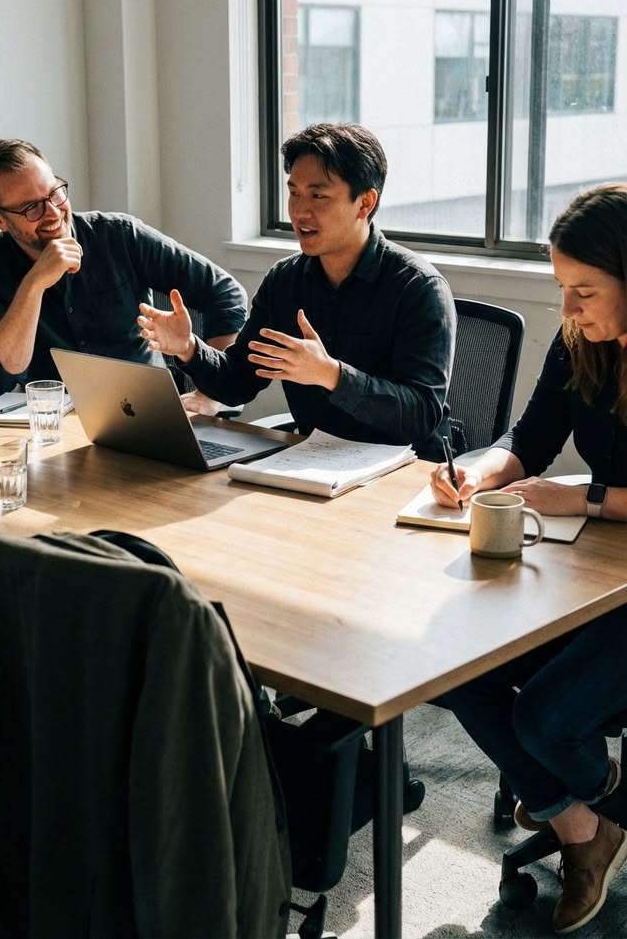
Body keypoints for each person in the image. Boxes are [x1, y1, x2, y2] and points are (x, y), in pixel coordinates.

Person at [430, 182, 627, 935]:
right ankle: (583, 821)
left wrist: (588, 496)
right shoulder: (579, 340)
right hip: (589, 575)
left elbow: (577, 489)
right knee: (459, 668)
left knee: (544, 718)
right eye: (562, 290)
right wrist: (482, 471)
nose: (570, 310)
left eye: (585, 291)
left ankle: (573, 792)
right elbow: (530, 433)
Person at [137, 122, 456, 460]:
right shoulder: (285, 281)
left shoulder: (418, 288)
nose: (300, 211)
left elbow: (421, 415)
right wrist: (188, 348)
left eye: (318, 195)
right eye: (294, 192)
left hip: (406, 469)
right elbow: (238, 382)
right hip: (314, 464)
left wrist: (331, 375)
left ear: (365, 203)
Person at [0, 139, 247, 411]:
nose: (53, 212)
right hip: (55, 427)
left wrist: (212, 393)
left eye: (54, 193)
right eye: (32, 207)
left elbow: (226, 294)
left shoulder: (120, 236)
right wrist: (34, 284)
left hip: (147, 413)